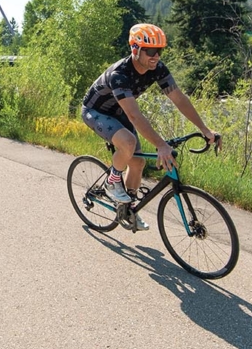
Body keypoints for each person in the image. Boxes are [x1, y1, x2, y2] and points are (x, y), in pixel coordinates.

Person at [81, 23, 220, 231]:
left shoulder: (157, 69)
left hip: (118, 112)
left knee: (137, 163)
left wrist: (205, 129)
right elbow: (134, 115)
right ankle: (112, 181)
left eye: (160, 51)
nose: (156, 56)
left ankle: (128, 209)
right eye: (151, 51)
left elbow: (179, 99)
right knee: (128, 143)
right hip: (96, 112)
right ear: (135, 49)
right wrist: (161, 145)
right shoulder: (120, 74)